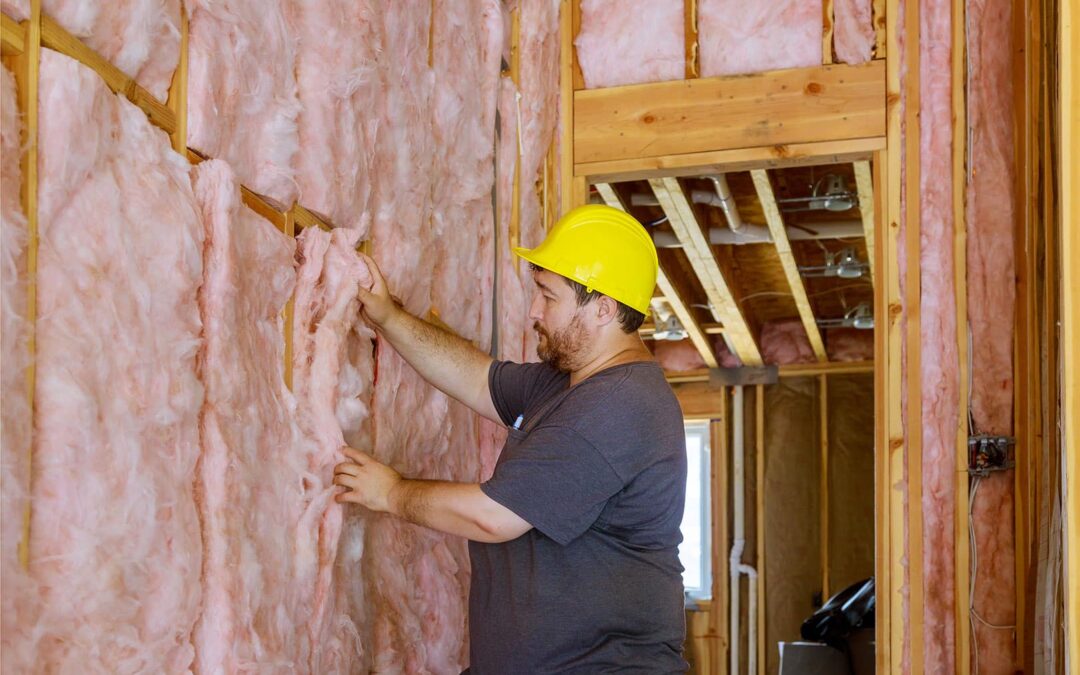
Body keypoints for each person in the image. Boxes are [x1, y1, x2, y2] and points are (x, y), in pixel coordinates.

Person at [333, 204, 689, 673]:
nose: (533, 312)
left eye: (548, 296)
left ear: (603, 308)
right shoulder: (567, 383)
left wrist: (392, 493)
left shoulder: (619, 406)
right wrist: (389, 316)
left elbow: (494, 518)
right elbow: (477, 378)